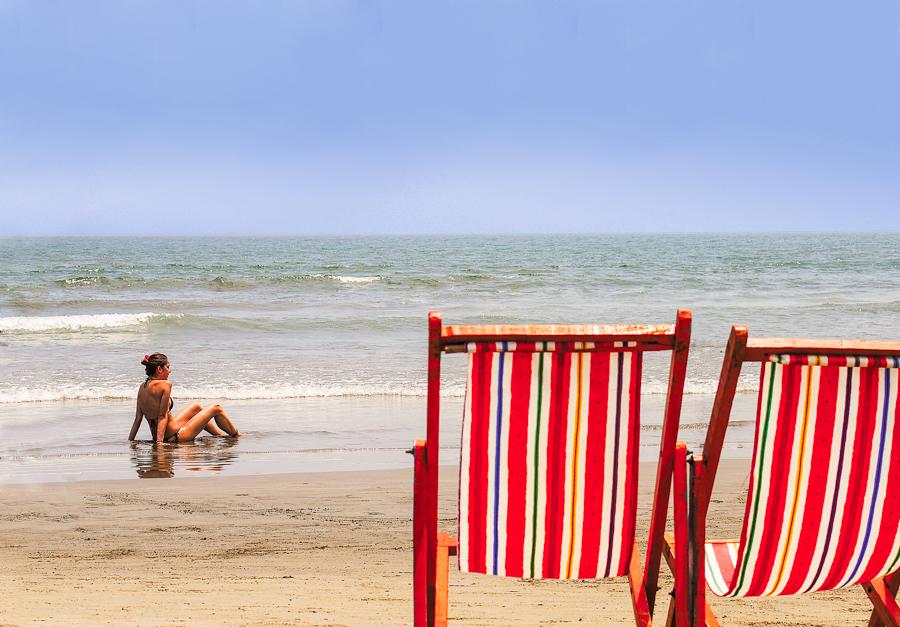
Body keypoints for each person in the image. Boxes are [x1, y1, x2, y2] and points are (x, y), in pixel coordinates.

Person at [128, 352, 239, 443]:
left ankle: (221, 436)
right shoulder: (165, 385)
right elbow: (162, 416)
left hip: (164, 434)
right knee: (216, 408)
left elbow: (138, 418)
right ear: (159, 369)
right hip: (175, 437)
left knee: (196, 407)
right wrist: (159, 444)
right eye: (167, 367)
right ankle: (236, 435)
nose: (170, 371)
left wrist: (130, 441)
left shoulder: (142, 387)